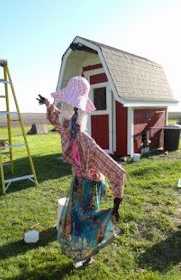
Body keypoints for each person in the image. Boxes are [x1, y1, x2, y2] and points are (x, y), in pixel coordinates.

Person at [37, 76, 126, 268]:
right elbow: (56, 117)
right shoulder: (66, 126)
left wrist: (117, 203)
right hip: (78, 182)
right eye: (69, 106)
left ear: (79, 110)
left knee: (88, 223)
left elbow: (117, 172)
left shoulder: (87, 143)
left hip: (91, 186)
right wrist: (48, 104)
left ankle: (88, 254)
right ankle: (81, 252)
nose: (69, 111)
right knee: (77, 221)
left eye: (72, 107)